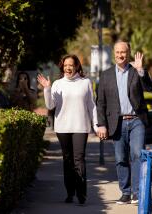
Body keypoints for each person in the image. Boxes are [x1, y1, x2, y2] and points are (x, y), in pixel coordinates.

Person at [96, 41, 152, 204]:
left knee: (137, 155)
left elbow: (150, 88)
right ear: (113, 53)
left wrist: (141, 70)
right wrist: (101, 124)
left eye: (124, 52)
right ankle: (126, 192)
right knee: (120, 158)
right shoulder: (106, 75)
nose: (120, 55)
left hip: (137, 121)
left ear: (128, 53)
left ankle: (137, 192)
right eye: (118, 52)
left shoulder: (136, 71)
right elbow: (100, 102)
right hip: (117, 122)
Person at [37, 54, 98, 204]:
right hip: (63, 127)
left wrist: (96, 124)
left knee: (79, 159)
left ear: (77, 66)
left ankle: (81, 193)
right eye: (65, 66)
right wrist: (47, 89)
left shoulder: (85, 83)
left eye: (71, 65)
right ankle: (70, 193)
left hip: (81, 126)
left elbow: (92, 106)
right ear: (62, 67)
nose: (68, 68)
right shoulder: (57, 84)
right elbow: (50, 106)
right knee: (68, 160)